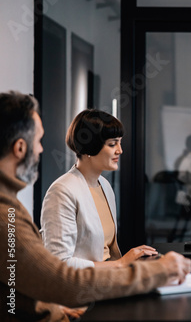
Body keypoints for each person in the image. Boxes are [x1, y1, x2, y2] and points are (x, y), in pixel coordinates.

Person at [0, 91, 191, 322]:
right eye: (38, 141)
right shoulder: (10, 214)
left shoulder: (12, 208)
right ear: (20, 148)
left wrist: (56, 310)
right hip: (84, 298)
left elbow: (22, 287)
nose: (41, 150)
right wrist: (157, 271)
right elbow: (59, 278)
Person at [40, 109, 157, 269]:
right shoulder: (62, 191)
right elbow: (59, 262)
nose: (120, 150)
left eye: (120, 142)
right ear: (89, 146)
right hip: (84, 287)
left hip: (108, 279)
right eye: (112, 144)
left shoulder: (105, 185)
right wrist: (121, 263)